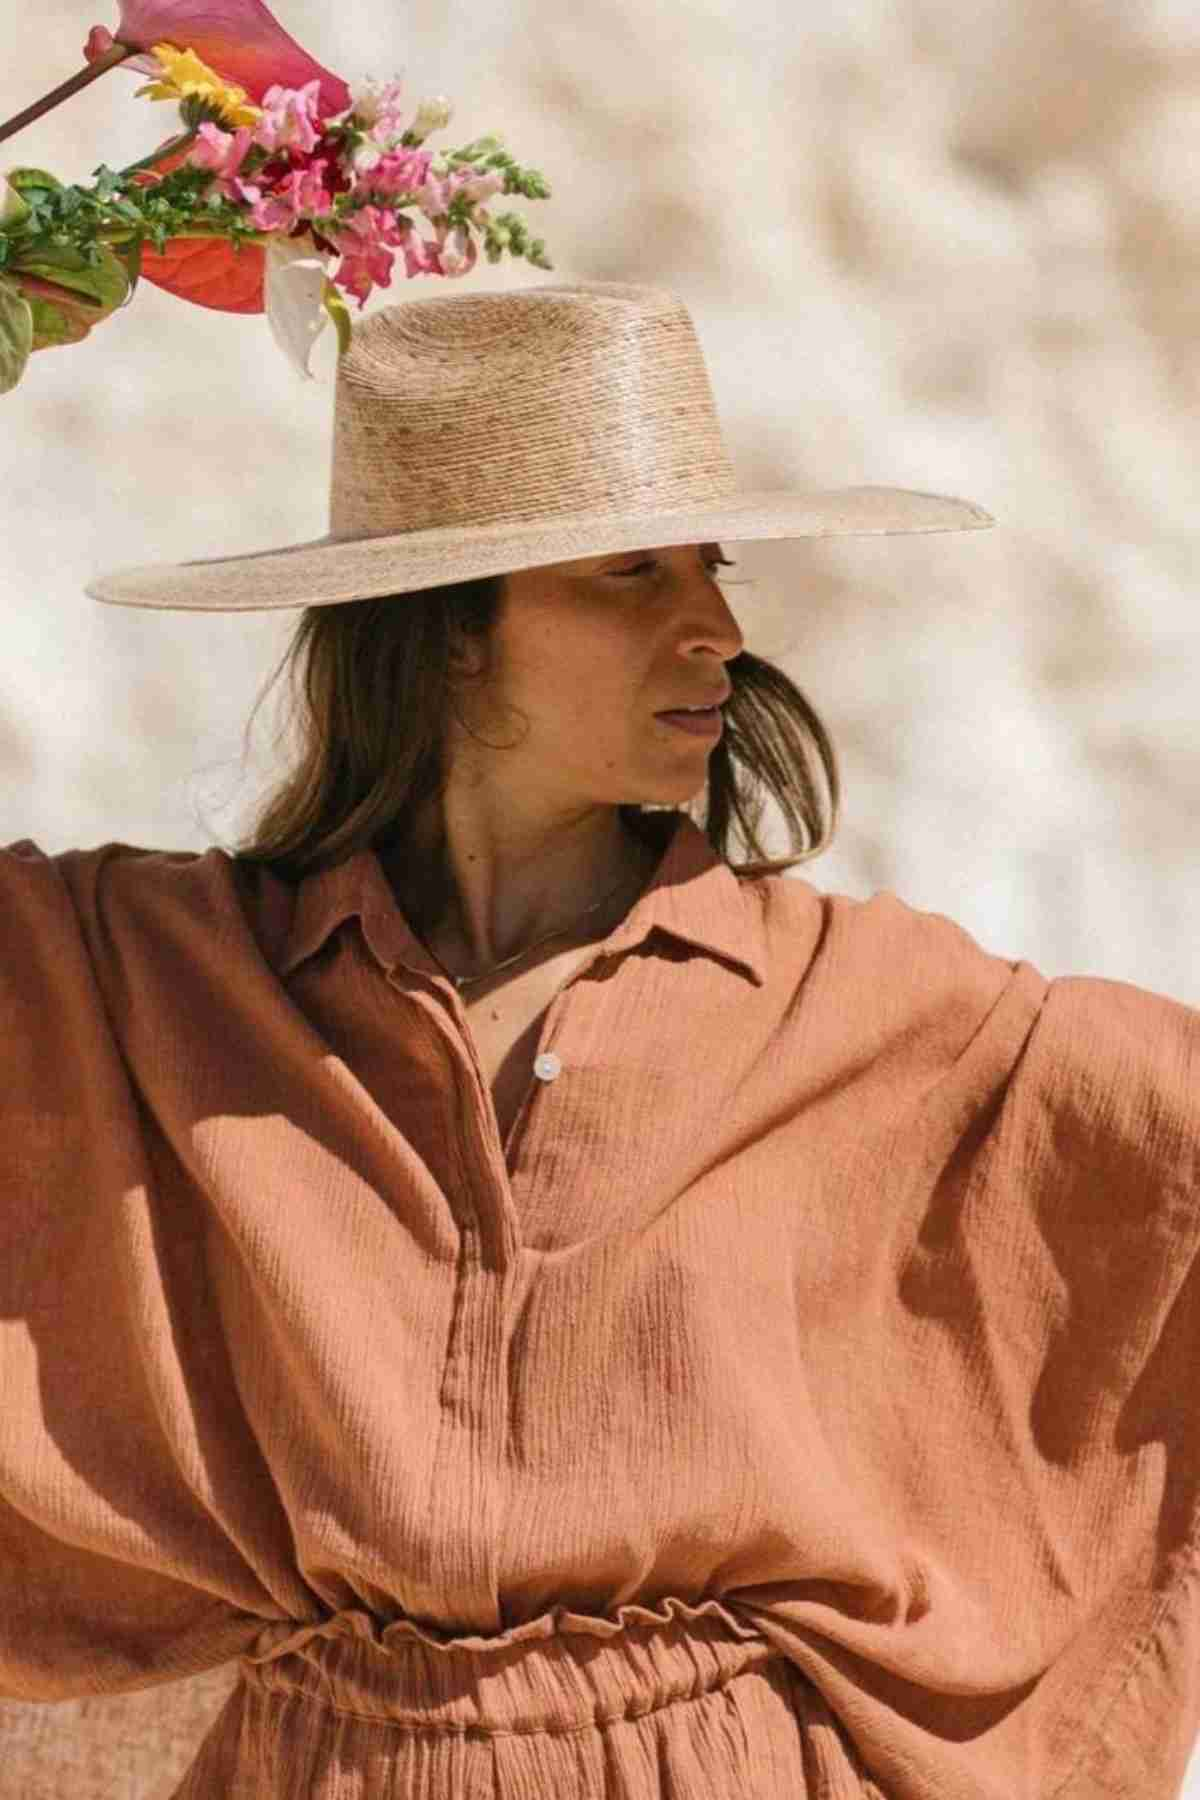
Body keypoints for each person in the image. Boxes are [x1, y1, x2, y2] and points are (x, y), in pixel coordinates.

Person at [2, 281, 1197, 1800]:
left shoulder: (877, 1007)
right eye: (632, 574)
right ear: (445, 637)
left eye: (711, 566)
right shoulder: (152, 981)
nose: (716, 628)